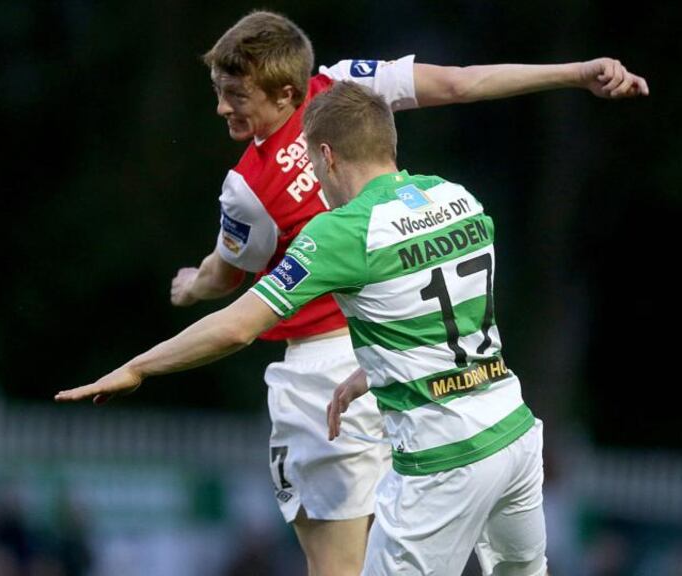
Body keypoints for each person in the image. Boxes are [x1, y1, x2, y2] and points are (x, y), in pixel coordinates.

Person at [162, 10, 646, 576]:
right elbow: (460, 83)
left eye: (234, 94)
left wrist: (191, 287)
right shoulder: (348, 85)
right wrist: (574, 73)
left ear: (284, 93)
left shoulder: (248, 185)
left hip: (325, 374)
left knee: (338, 566)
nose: (222, 107)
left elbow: (228, 278)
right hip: (410, 347)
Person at [57, 79, 601, 574]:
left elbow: (237, 327)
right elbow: (448, 313)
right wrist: (371, 374)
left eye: (316, 170)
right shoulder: (456, 197)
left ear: (326, 155)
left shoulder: (343, 232)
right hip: (513, 435)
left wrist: (137, 368)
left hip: (443, 461)